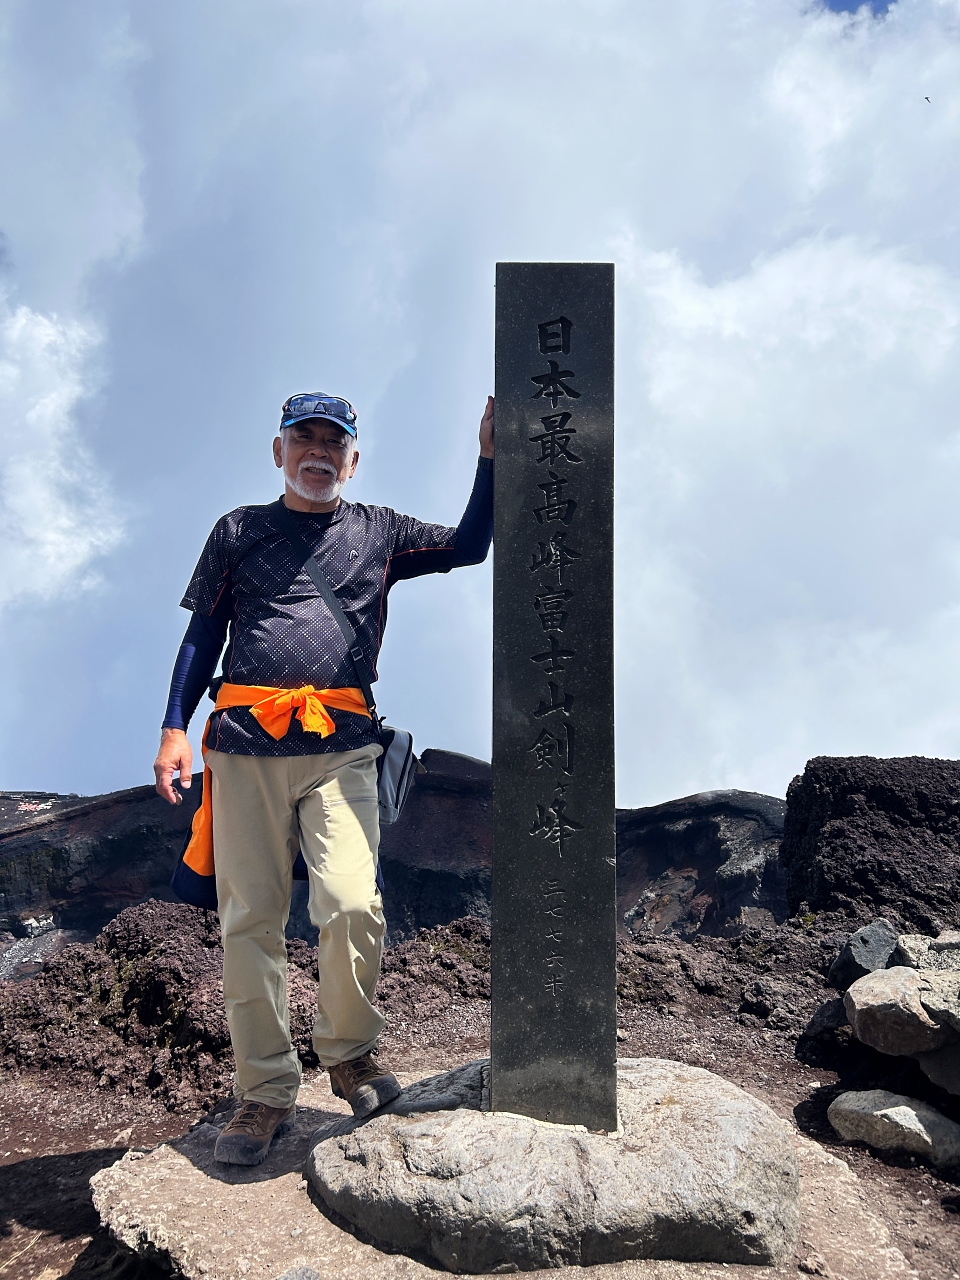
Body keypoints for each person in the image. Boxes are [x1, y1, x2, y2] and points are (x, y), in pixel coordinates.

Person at [154, 391, 494, 1165]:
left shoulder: (381, 530)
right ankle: (264, 1093)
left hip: (342, 745)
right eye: (301, 438)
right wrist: (175, 727)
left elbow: (469, 547)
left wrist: (490, 459)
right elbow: (203, 631)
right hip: (242, 745)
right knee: (250, 922)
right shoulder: (238, 530)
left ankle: (349, 1052)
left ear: (352, 458)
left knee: (349, 900)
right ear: (277, 452)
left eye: (332, 442)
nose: (317, 452)